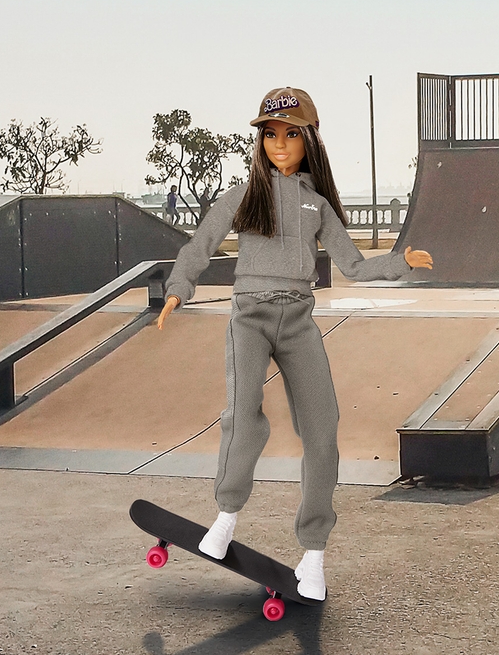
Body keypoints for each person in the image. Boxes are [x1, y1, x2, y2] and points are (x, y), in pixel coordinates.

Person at [157, 87, 432, 601]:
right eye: (269, 134)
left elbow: (353, 266)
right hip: (250, 317)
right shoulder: (244, 195)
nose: (279, 144)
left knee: (322, 426)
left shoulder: (317, 205)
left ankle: (314, 554)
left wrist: (400, 262)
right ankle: (226, 516)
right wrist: (179, 288)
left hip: (299, 320)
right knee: (243, 414)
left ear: (309, 140)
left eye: (289, 134)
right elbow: (202, 244)